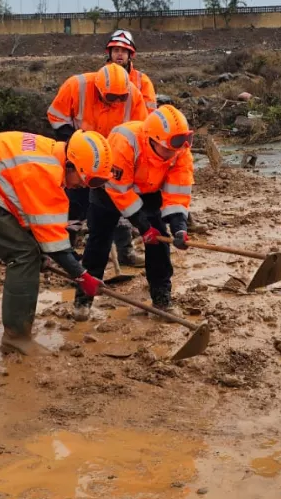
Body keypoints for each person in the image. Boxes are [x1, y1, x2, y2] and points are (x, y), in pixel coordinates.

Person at [0, 130, 111, 356]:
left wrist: (44, 253)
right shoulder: (44, 172)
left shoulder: (49, 154)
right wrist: (82, 276)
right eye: (88, 180)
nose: (85, 186)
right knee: (24, 255)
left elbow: (30, 219)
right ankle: (16, 338)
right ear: (71, 165)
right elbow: (55, 243)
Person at [72, 105, 194, 318]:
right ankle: (83, 300)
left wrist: (179, 229)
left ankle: (161, 298)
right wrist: (142, 226)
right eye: (168, 149)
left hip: (148, 192)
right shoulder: (125, 139)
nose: (173, 154)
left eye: (177, 150)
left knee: (159, 242)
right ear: (152, 139)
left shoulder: (180, 151)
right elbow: (119, 191)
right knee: (99, 242)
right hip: (109, 191)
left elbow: (177, 193)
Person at [47, 63, 150, 263]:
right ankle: (66, 254)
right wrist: (75, 143)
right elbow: (56, 117)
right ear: (98, 88)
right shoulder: (76, 86)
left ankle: (125, 253)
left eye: (121, 98)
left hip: (114, 157)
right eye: (111, 97)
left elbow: (140, 131)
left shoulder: (134, 96)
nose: (116, 102)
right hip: (80, 154)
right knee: (75, 203)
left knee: (118, 203)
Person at [105, 30, 158, 267]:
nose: (118, 55)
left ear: (130, 54)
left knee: (128, 198)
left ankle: (125, 252)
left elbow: (150, 118)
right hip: (103, 148)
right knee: (100, 203)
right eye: (115, 50)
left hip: (133, 149)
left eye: (122, 51)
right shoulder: (102, 76)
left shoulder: (141, 81)